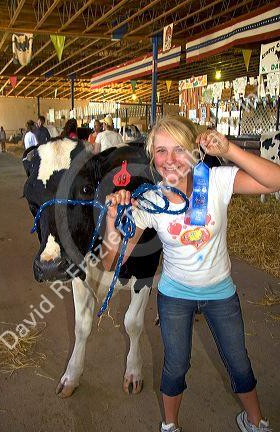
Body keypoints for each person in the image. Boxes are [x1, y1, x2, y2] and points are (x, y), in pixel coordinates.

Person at [102, 116, 280, 432]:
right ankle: (170, 425)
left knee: (239, 363)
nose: (170, 160)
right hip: (174, 296)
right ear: (152, 156)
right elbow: (110, 263)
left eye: (179, 149)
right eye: (161, 151)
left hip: (220, 293)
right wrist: (112, 219)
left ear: (194, 152)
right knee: (175, 366)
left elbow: (274, 181)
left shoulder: (216, 181)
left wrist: (230, 150)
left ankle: (255, 422)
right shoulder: (150, 201)